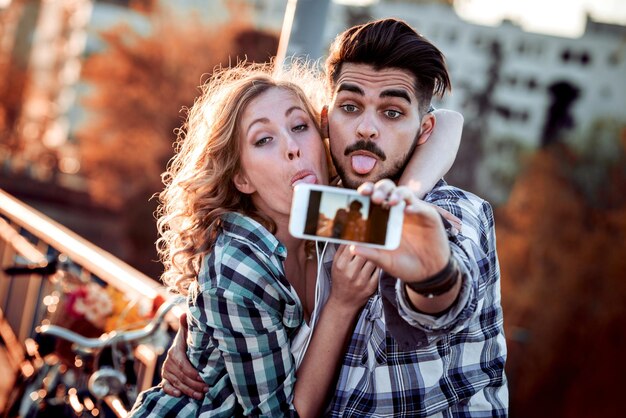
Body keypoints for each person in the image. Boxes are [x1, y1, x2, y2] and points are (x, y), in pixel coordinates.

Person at [163, 18, 508, 417]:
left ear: (423, 129)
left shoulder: (454, 212)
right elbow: (229, 283)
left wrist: (434, 275)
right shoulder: (330, 208)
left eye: (393, 113)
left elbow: (445, 304)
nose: (365, 128)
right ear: (327, 122)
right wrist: (194, 333)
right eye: (350, 107)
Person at [128, 64, 384, 417]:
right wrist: (341, 303)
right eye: (264, 139)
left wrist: (417, 199)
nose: (293, 148)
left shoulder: (331, 218)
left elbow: (444, 123)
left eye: (299, 126)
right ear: (242, 179)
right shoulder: (238, 269)